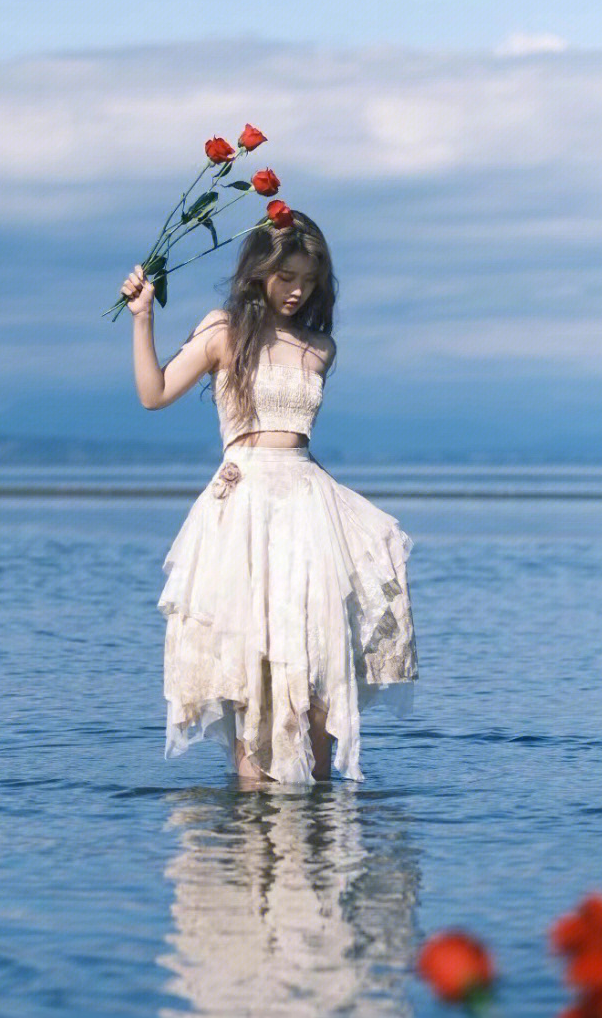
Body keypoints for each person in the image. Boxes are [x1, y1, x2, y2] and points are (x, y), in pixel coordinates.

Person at [120, 209, 418, 786]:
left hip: (307, 510)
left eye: (308, 278)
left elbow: (297, 442)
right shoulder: (223, 330)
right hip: (243, 509)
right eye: (286, 277)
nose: (297, 290)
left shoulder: (320, 348)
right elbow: (153, 394)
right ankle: (248, 832)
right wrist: (141, 318)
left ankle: (321, 832)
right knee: (248, 669)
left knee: (314, 671)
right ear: (259, 273)